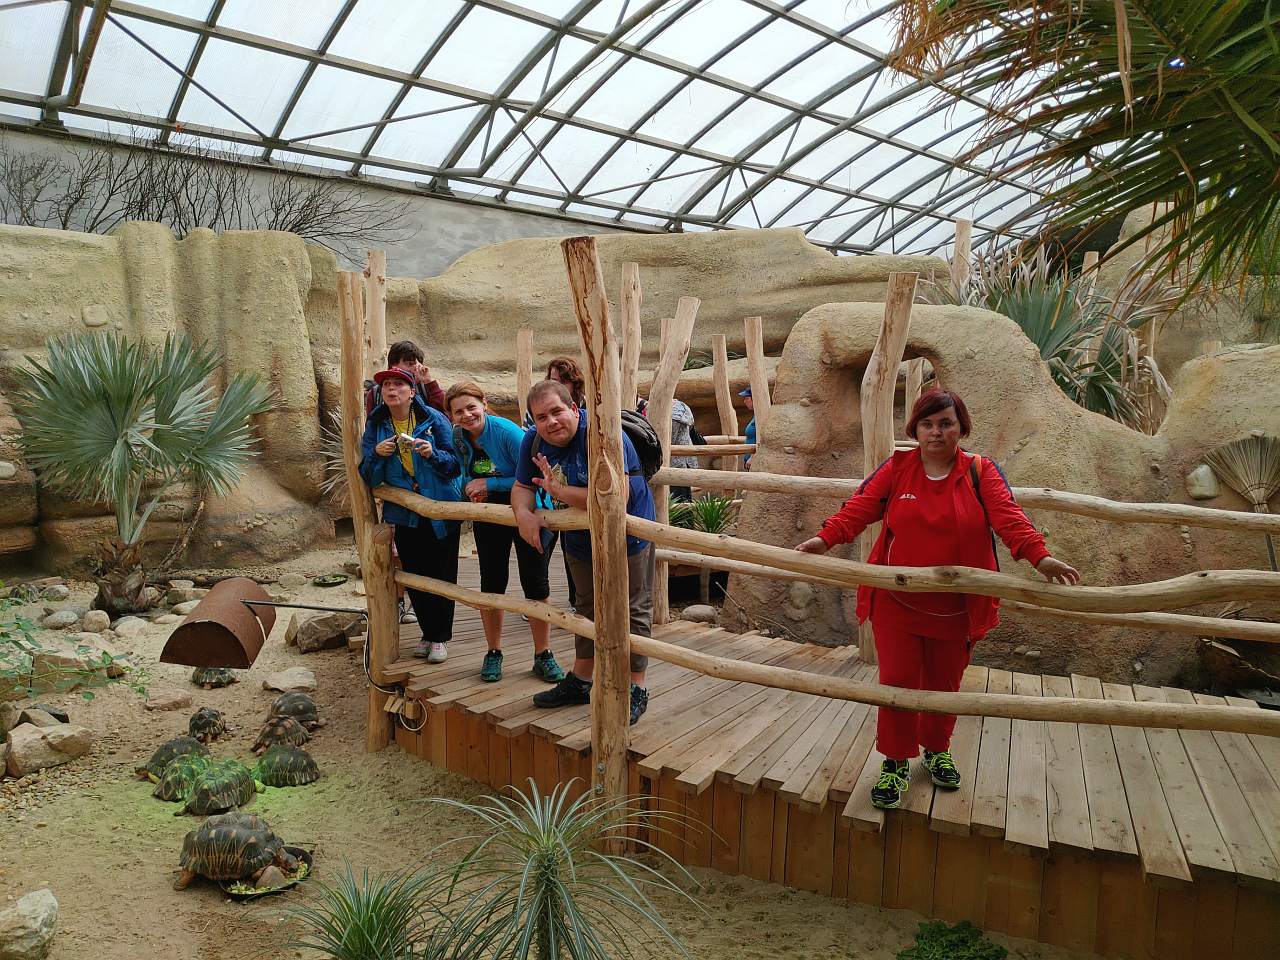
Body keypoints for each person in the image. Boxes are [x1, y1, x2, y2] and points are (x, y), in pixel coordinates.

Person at [795, 389, 1079, 810]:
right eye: (927, 424)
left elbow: (1009, 518)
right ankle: (895, 762)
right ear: (915, 429)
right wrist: (825, 539)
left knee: (944, 684)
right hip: (897, 601)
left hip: (957, 606)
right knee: (898, 682)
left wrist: (1041, 557)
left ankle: (936, 749)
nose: (936, 432)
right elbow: (859, 507)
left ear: (961, 428)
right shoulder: (898, 468)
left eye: (945, 423)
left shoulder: (980, 471)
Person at [512, 380, 657, 725]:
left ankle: (636, 687)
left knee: (634, 607)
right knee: (586, 606)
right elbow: (521, 486)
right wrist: (524, 515)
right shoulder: (533, 441)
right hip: (579, 536)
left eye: (557, 412)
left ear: (574, 409)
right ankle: (581, 680)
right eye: (541, 417)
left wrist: (559, 491)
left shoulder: (603, 434)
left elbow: (616, 498)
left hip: (628, 533)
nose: (551, 422)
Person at [446, 381, 566, 685]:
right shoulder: (458, 437)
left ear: (484, 405)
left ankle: (543, 653)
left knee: (535, 581)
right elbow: (465, 472)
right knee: (492, 581)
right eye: (459, 411)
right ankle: (494, 651)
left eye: (471, 407)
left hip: (529, 508)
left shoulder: (507, 433)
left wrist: (490, 484)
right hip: (489, 512)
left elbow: (533, 477)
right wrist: (470, 489)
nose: (467, 415)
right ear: (451, 416)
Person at [359, 367, 462, 663]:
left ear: (412, 392)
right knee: (415, 573)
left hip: (440, 507)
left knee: (442, 572)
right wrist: (377, 454)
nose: (392, 390)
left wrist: (432, 453)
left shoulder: (433, 418)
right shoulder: (377, 423)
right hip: (404, 512)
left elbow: (455, 465)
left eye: (399, 385)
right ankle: (428, 633)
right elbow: (368, 475)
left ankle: (440, 637)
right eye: (387, 385)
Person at [364, 340, 447, 416]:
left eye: (419, 364)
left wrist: (429, 383)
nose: (416, 368)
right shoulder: (376, 394)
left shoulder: (427, 389)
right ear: (393, 365)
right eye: (410, 364)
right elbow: (372, 423)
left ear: (412, 392)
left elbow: (444, 418)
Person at [669, 398, 697, 502]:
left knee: (678, 500)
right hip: (686, 460)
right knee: (684, 496)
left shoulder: (673, 418)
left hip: (675, 462)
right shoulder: (684, 408)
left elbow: (669, 439)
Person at [741, 386, 756, 469]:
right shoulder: (755, 416)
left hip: (754, 461)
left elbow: (762, 439)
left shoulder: (760, 416)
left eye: (747, 398)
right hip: (750, 460)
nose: (744, 401)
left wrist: (753, 457)